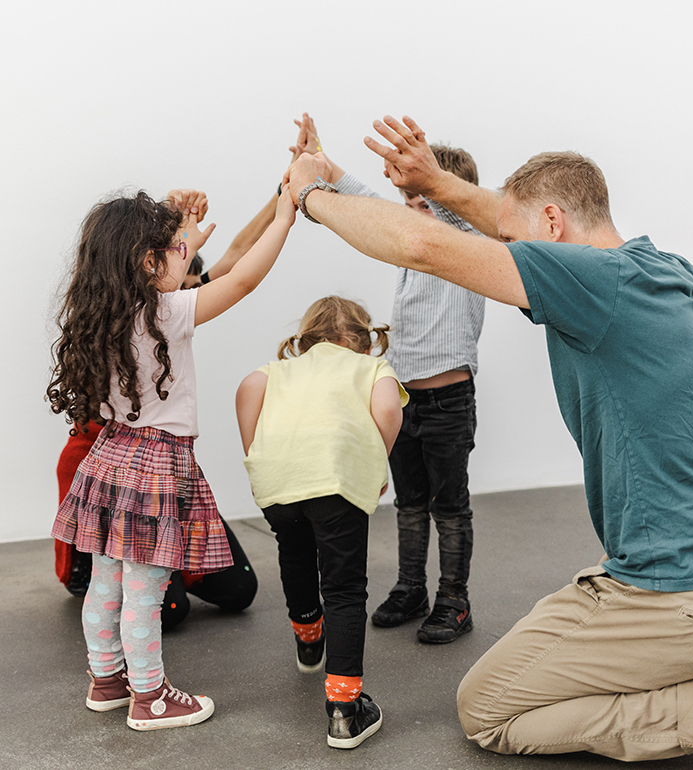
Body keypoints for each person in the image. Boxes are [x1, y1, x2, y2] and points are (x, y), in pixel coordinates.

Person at [281, 116, 693, 768]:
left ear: (553, 225)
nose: (507, 253)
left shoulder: (597, 284)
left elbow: (422, 245)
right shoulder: (655, 270)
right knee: (524, 665)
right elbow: (487, 220)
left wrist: (309, 196)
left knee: (484, 708)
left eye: (516, 242)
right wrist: (435, 181)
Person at [48, 181, 294, 731]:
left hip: (110, 457)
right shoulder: (163, 313)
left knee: (106, 582)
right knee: (145, 589)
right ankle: (150, 697)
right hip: (156, 464)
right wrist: (285, 217)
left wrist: (184, 229)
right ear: (144, 260)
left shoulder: (104, 313)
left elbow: (194, 266)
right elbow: (242, 278)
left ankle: (107, 680)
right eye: (172, 249)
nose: (182, 256)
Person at [290, 113, 485, 644]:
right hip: (406, 402)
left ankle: (453, 598)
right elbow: (369, 204)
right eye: (411, 205)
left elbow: (447, 207)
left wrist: (430, 183)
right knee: (409, 503)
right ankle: (411, 587)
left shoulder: (467, 243)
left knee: (450, 507)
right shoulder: (407, 245)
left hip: (448, 400)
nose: (415, 216)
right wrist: (325, 165)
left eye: (427, 204)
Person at [236, 296, 407, 749]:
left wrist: (257, 454)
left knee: (294, 553)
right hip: (335, 480)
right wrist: (375, 460)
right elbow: (390, 411)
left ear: (306, 336)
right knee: (344, 586)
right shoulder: (372, 369)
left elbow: (247, 389)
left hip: (279, 480)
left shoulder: (276, 371)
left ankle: (309, 638)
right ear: (364, 339)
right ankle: (344, 711)